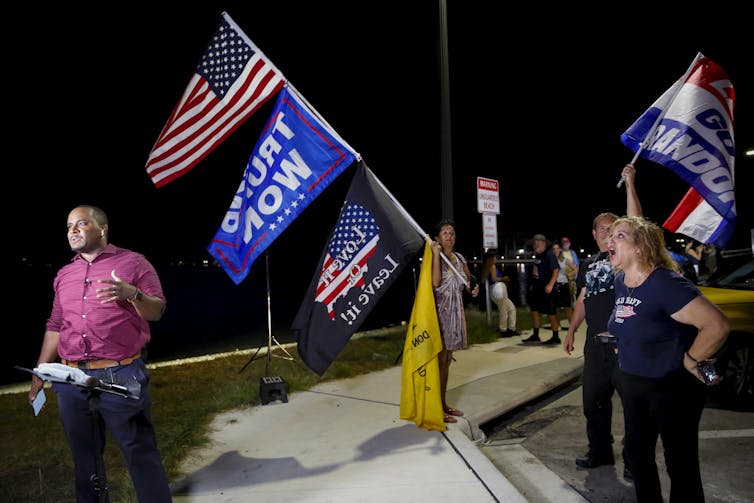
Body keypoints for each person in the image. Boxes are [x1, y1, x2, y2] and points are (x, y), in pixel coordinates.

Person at [27, 205, 172, 502]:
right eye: (69, 226)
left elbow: (156, 311)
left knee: (139, 453)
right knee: (85, 459)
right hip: (71, 379)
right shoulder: (65, 273)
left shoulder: (134, 263)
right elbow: (56, 325)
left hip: (120, 374)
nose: (73, 230)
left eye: (81, 223)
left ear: (102, 228)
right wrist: (40, 371)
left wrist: (133, 294)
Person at [607, 215, 729, 502]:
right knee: (638, 457)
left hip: (671, 386)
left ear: (641, 248)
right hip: (634, 384)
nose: (610, 240)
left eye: (620, 236)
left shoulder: (666, 283)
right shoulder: (622, 282)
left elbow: (717, 325)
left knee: (680, 464)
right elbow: (637, 321)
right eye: (610, 236)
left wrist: (691, 359)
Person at [563, 163, 641, 477]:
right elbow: (583, 297)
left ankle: (637, 462)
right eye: (602, 229)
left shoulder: (625, 257)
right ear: (594, 234)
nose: (607, 234)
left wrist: (631, 183)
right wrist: (571, 329)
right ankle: (601, 453)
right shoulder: (590, 263)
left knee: (635, 408)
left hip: (626, 345)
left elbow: (635, 223)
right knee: (592, 403)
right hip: (595, 345)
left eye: (613, 229)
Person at [431, 219, 479, 423]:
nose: (449, 236)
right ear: (437, 238)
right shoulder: (435, 257)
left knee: (448, 360)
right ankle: (435, 408)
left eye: (451, 232)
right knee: (439, 361)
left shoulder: (459, 258)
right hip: (439, 314)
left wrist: (473, 288)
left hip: (455, 313)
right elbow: (435, 283)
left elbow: (468, 281)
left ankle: (443, 404)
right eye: (444, 233)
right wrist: (435, 255)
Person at [481, 250, 519, 336]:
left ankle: (511, 329)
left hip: (493, 291)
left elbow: (483, 280)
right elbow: (494, 279)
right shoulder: (492, 266)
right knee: (504, 310)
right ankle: (504, 330)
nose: (496, 259)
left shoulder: (486, 267)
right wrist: (504, 278)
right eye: (494, 257)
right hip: (498, 288)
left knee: (511, 308)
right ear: (491, 258)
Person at [551, 242, 575, 323]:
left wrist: (569, 274)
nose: (555, 250)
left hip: (563, 284)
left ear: (560, 249)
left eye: (557, 248)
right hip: (553, 285)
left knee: (567, 306)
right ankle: (557, 326)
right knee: (555, 307)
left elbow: (575, 269)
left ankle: (572, 325)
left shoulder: (564, 259)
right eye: (553, 249)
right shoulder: (550, 260)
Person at [560, 236, 580, 304]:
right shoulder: (560, 253)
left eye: (566, 242)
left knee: (573, 293)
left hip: (572, 277)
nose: (565, 244)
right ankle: (564, 306)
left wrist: (572, 273)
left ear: (569, 243)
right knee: (564, 293)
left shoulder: (572, 253)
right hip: (563, 277)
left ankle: (574, 307)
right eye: (564, 243)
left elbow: (576, 265)